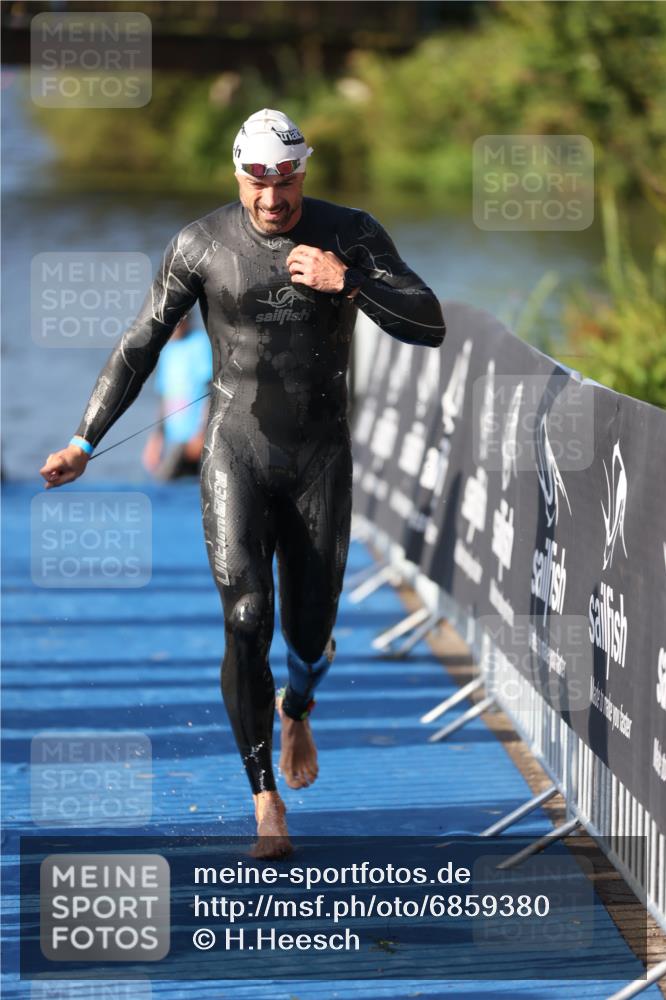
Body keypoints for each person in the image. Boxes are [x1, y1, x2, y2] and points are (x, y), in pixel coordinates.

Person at [39, 108, 446, 858]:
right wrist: (82, 441)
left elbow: (428, 323)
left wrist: (346, 280)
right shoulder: (200, 243)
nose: (271, 202)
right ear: (238, 177)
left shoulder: (347, 230)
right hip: (235, 454)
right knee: (244, 618)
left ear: (301, 174)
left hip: (320, 457)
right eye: (257, 186)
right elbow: (139, 345)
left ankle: (297, 705)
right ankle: (264, 800)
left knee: (310, 629)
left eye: (285, 184)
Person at [142, 312, 212, 480]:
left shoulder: (201, 343)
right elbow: (164, 398)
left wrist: (203, 433)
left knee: (166, 481)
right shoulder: (167, 349)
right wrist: (156, 440)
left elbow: (212, 391)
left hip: (195, 437)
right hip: (174, 437)